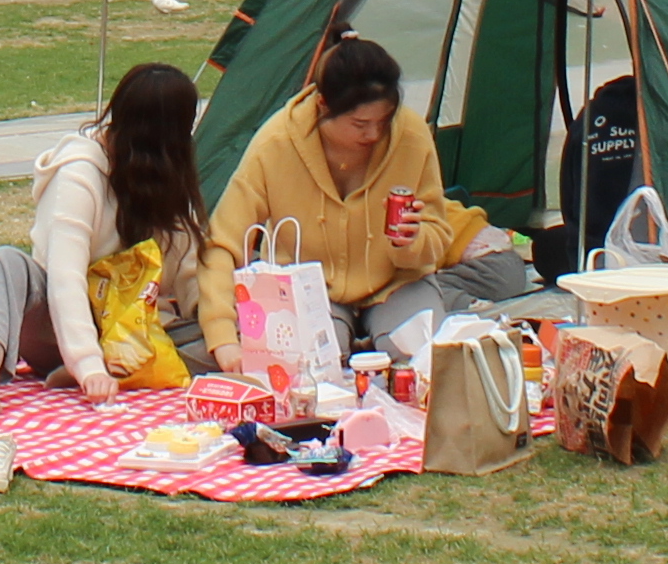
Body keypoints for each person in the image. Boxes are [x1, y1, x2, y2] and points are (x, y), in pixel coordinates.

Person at [205, 32, 537, 358]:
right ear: (323, 105)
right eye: (360, 123)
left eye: (384, 120)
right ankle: (355, 342)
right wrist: (223, 337)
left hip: (398, 285)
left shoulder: (410, 135)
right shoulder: (276, 144)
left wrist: (413, 242)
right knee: (310, 365)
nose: (374, 133)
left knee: (422, 357)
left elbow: (437, 233)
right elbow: (222, 243)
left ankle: (382, 337)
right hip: (312, 291)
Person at [0, 62, 229, 416]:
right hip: (57, 328)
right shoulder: (80, 172)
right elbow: (64, 280)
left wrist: (223, 330)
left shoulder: (167, 179)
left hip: (131, 332)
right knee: (5, 263)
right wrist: (88, 365)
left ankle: (119, 369)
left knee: (215, 343)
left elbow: (190, 269)